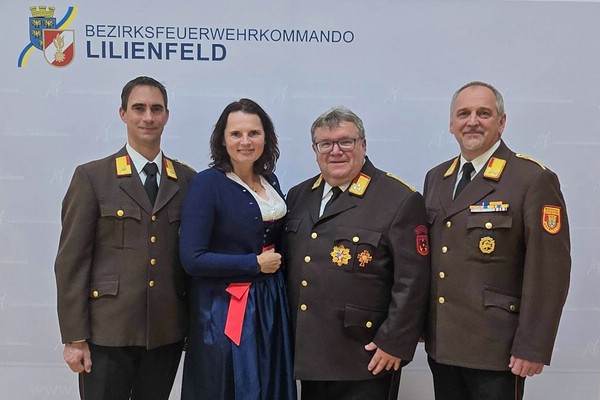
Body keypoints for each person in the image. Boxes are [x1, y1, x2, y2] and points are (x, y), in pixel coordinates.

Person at [423, 81, 571, 400]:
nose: (472, 121)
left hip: (497, 348)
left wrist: (533, 345)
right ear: (451, 124)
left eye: (484, 113)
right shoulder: (437, 178)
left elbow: (549, 271)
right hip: (443, 343)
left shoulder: (531, 179)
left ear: (501, 122)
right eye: (463, 113)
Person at [54, 76, 196, 400]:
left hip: (165, 332)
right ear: (123, 114)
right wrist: (75, 337)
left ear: (167, 115)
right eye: (139, 108)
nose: (148, 117)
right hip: (107, 333)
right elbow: (71, 263)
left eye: (156, 109)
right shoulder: (93, 177)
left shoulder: (187, 180)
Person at [284, 107, 430, 400]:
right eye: (326, 144)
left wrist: (395, 342)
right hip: (310, 353)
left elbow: (413, 281)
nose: (335, 151)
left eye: (345, 142)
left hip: (366, 355)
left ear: (363, 144)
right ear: (315, 150)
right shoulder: (299, 195)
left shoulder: (397, 198)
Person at [178, 98, 296, 400]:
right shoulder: (206, 184)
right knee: (231, 385)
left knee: (270, 381)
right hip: (225, 308)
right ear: (222, 139)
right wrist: (253, 264)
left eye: (254, 133)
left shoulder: (270, 180)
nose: (245, 141)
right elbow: (192, 259)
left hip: (271, 300)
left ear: (266, 137)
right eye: (236, 134)